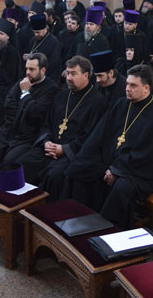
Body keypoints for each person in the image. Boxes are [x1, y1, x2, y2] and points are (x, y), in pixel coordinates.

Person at [64, 64, 153, 227]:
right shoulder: (120, 104)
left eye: (133, 85)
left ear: (146, 88)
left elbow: (149, 156)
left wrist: (117, 170)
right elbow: (98, 136)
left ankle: (108, 230)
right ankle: (77, 222)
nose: (127, 89)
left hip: (136, 171)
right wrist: (86, 159)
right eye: (127, 84)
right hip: (111, 162)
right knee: (80, 168)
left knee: (121, 187)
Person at [19, 56, 107, 199]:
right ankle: (21, 205)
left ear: (86, 75)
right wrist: (46, 141)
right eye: (67, 73)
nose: (68, 78)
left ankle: (43, 212)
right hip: (49, 148)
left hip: (73, 153)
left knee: (54, 176)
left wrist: (64, 149)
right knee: (24, 162)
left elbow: (91, 137)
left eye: (73, 74)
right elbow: (46, 124)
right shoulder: (61, 95)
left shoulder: (98, 102)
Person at [0, 52, 59, 166]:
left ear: (43, 70)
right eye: (26, 68)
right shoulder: (23, 82)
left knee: (9, 163)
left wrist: (25, 93)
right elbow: (8, 104)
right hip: (7, 130)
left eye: (32, 69)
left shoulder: (51, 89)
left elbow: (36, 113)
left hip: (27, 136)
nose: (28, 72)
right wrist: (25, 107)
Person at [0, 17, 23, 104]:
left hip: (7, 87)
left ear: (8, 37)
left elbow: (9, 75)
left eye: (1, 34)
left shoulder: (12, 51)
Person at [24, 14, 63, 84]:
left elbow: (54, 62)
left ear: (45, 29)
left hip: (48, 77)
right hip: (34, 75)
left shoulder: (54, 42)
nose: (36, 34)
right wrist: (29, 57)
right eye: (34, 32)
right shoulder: (33, 40)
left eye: (38, 32)